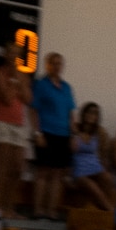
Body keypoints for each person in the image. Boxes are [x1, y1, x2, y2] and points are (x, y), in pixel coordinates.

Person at [31, 51, 75, 221]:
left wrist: (73, 136)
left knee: (58, 174)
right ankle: (38, 210)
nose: (57, 66)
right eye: (53, 63)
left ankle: (51, 211)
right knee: (42, 173)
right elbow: (33, 110)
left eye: (59, 63)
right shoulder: (41, 85)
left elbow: (71, 113)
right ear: (47, 65)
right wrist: (37, 132)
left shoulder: (67, 87)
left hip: (63, 134)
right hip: (46, 133)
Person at [0, 55, 30, 217]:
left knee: (18, 169)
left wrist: (18, 81)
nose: (14, 58)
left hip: (18, 124)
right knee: (2, 169)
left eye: (17, 54)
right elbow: (6, 98)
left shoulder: (22, 74)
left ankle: (9, 207)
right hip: (1, 122)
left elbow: (27, 98)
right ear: (6, 55)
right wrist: (14, 82)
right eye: (11, 53)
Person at [68, 102, 115, 212]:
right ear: (84, 113)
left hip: (95, 168)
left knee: (107, 177)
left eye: (95, 113)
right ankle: (111, 211)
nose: (91, 115)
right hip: (80, 171)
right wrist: (76, 134)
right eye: (89, 112)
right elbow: (72, 149)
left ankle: (102, 208)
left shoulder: (98, 132)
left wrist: (104, 167)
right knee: (93, 186)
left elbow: (103, 154)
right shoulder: (76, 129)